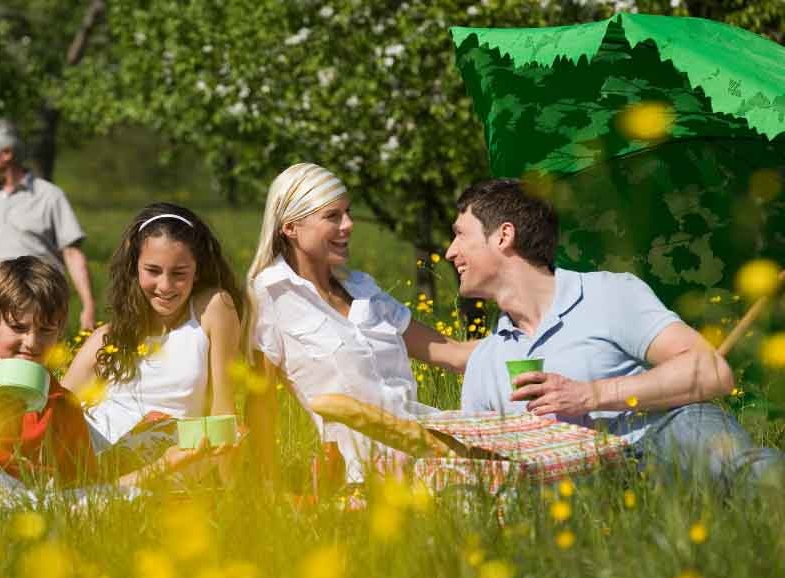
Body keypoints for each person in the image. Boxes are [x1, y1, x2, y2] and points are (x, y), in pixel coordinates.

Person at [450, 178, 784, 492]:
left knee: (748, 473)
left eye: (460, 235)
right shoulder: (484, 362)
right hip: (590, 490)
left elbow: (711, 372)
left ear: (503, 236)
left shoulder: (607, 293)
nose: (451, 252)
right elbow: (481, 472)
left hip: (664, 433)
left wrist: (591, 394)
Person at [0, 257, 226, 509]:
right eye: (19, 328)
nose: (32, 342)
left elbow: (92, 490)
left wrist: (171, 462)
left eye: (46, 330)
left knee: (125, 502)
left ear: (60, 331)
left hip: (18, 497)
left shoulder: (62, 404)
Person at [246, 163, 476, 485]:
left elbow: (453, 354)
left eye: (348, 212)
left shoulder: (364, 289)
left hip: (436, 452)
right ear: (290, 227)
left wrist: (536, 335)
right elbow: (260, 405)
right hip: (366, 478)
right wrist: (268, 493)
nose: (349, 224)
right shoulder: (268, 297)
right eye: (332, 216)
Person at [62, 203, 244, 480]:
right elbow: (57, 409)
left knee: (163, 433)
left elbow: (223, 406)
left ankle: (92, 487)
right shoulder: (107, 338)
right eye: (153, 271)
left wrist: (232, 492)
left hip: (170, 454)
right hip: (99, 449)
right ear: (134, 268)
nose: (166, 286)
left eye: (179, 273)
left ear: (197, 271)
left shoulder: (212, 309)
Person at [0, 118, 97, 332]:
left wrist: (88, 305)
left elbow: (72, 253)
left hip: (40, 294)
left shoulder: (49, 196)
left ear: (6, 153)